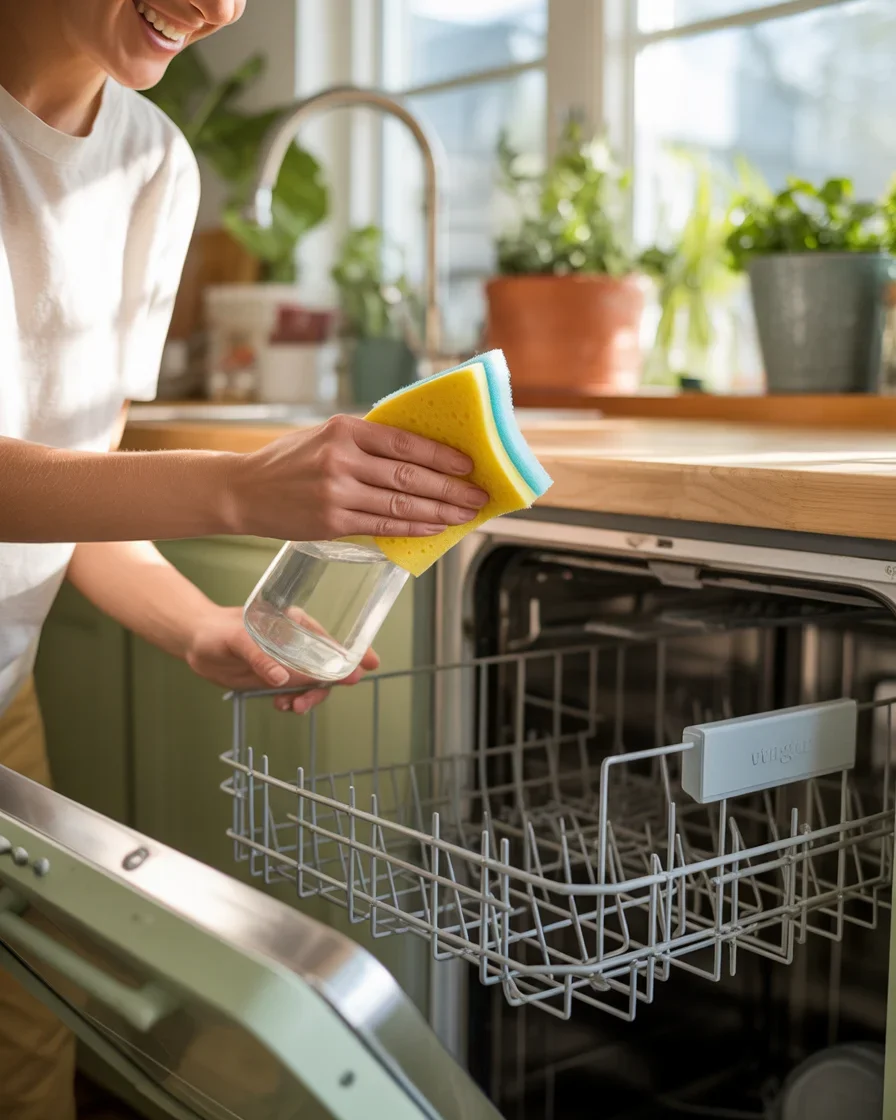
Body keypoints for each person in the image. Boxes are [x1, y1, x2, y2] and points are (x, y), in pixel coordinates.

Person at [0, 2, 489, 1115]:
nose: (218, 7)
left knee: (24, 1055)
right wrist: (231, 484)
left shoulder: (150, 165)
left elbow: (74, 491)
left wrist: (200, 625)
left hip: (3, 702)